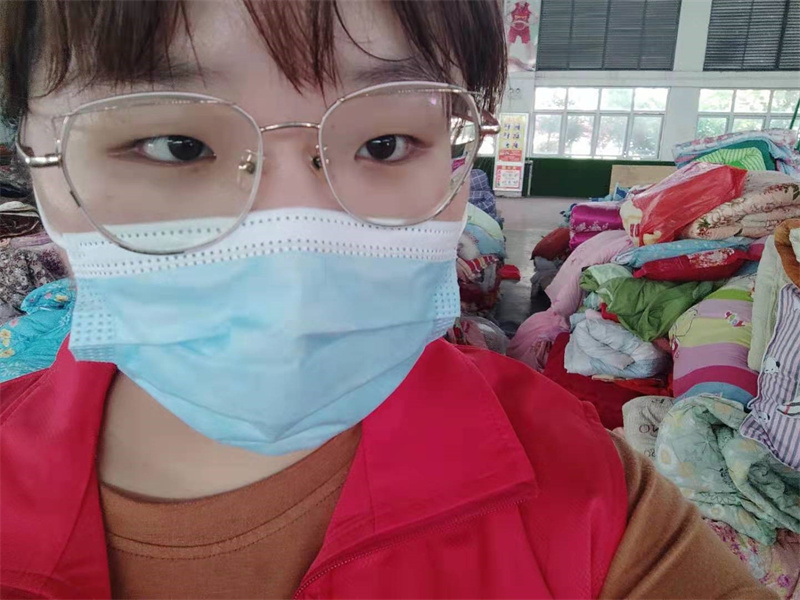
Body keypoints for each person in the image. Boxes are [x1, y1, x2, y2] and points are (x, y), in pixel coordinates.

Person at [0, 1, 775, 598]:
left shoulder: (584, 488)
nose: (295, 247)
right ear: (31, 160)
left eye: (384, 144)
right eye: (176, 146)